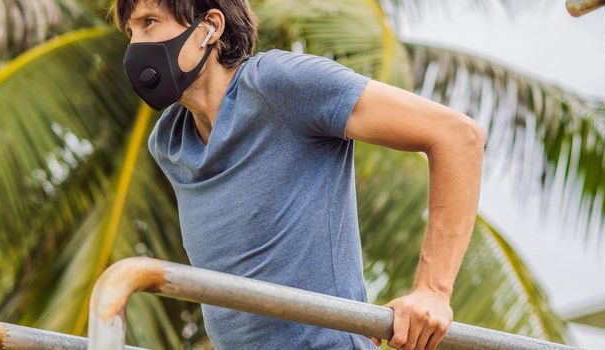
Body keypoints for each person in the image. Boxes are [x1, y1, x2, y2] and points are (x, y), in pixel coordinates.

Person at [114, 0, 485, 349]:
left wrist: (433, 291)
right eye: (130, 32)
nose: (136, 47)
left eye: (150, 22)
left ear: (209, 27)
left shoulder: (278, 83)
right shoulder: (169, 142)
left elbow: (457, 136)